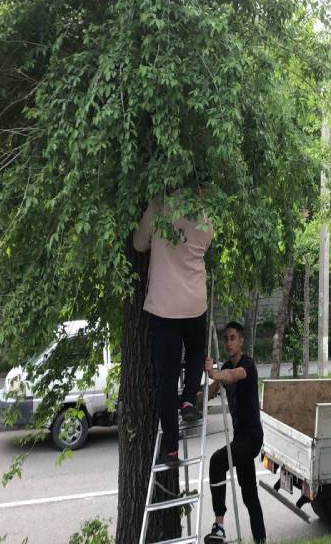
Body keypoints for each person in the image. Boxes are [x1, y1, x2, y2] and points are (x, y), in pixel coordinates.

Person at [133, 195, 212, 468]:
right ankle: (189, 399)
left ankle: (170, 450)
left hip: (164, 306)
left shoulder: (156, 207)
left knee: (167, 378)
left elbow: (138, 244)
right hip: (193, 302)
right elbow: (206, 244)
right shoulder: (202, 213)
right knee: (196, 351)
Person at [204, 321, 266, 543]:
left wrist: (215, 373)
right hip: (240, 440)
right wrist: (189, 401)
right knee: (250, 496)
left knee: (217, 462)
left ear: (241, 340)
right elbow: (209, 393)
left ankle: (219, 526)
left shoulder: (247, 365)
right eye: (226, 339)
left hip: (251, 439)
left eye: (233, 338)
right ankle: (261, 540)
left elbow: (230, 376)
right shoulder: (225, 368)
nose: (229, 343)